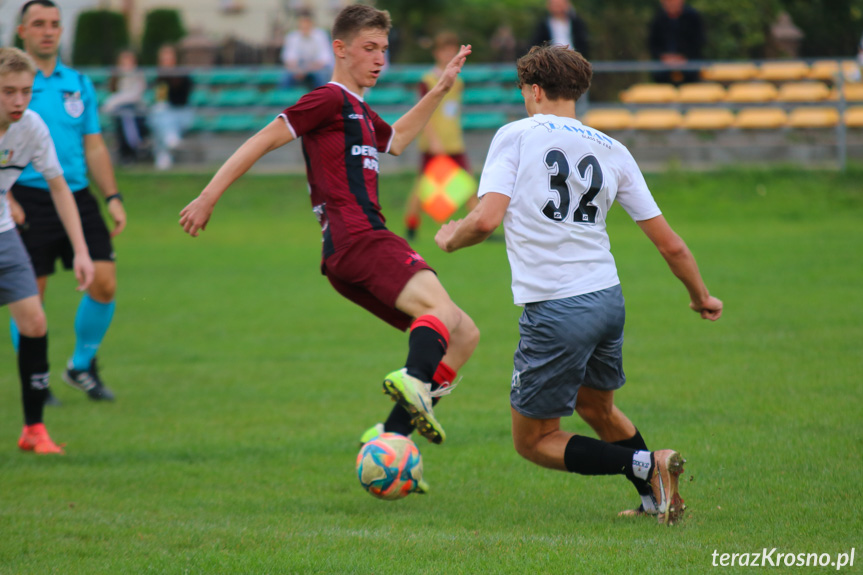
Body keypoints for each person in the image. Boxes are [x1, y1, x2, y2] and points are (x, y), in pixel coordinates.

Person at [434, 45, 723, 524]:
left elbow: (485, 221)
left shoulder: (517, 135)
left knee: (533, 441)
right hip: (607, 300)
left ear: (533, 90)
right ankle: (656, 498)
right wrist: (701, 295)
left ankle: (646, 463)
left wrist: (449, 238)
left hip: (556, 308)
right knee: (597, 407)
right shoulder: (612, 149)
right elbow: (670, 244)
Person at [180, 5, 479, 449]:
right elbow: (263, 139)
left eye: (384, 49)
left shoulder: (357, 108)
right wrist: (208, 196)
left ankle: (391, 440)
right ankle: (415, 382)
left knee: (464, 334)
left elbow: (395, 140)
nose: (380, 59)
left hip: (354, 249)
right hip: (358, 240)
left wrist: (439, 89)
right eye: (369, 49)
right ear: (340, 49)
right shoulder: (327, 99)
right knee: (442, 314)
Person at [10, 0, 127, 402]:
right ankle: (36, 378)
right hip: (25, 196)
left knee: (104, 281)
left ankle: (80, 366)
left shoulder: (78, 83)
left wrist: (111, 195)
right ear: (21, 31)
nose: (48, 31)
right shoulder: (12, 87)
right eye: (38, 24)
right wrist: (5, 194)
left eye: (55, 24)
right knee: (31, 294)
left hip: (75, 194)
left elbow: (93, 147)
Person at [0, 47, 94, 453]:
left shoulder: (32, 127)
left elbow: (59, 186)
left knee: (35, 323)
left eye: (25, 91)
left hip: (3, 234)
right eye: (8, 92)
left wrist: (81, 250)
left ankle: (33, 429)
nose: (19, 101)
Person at [404, 31, 475, 241]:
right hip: (433, 144)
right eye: (445, 51)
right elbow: (422, 113)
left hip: (454, 143)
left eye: (453, 51)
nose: (449, 55)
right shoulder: (428, 80)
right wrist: (433, 140)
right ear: (437, 53)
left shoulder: (458, 82)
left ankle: (478, 227)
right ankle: (411, 226)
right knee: (422, 188)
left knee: (469, 186)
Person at [148, 44, 195, 170]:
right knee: (159, 114)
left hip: (181, 113)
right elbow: (158, 100)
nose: (167, 61)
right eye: (164, 59)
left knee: (163, 116)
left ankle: (163, 154)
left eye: (169, 58)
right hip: (163, 114)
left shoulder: (183, 76)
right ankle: (169, 140)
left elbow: (182, 100)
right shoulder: (158, 77)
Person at [103, 49, 148, 164]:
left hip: (136, 112)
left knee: (128, 116)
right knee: (124, 117)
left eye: (130, 62)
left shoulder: (138, 76)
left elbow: (135, 96)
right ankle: (133, 148)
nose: (127, 65)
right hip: (120, 114)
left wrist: (113, 102)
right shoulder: (116, 78)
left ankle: (133, 147)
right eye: (124, 63)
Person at [647, 0, 705, 85]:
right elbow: (652, 44)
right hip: (664, 67)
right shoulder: (658, 18)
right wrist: (664, 57)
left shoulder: (693, 17)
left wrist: (684, 57)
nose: (671, 3)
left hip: (689, 64)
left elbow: (699, 41)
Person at [278, 8, 334, 91]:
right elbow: (289, 58)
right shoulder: (292, 37)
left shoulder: (320, 35)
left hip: (317, 69)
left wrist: (306, 69)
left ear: (311, 23)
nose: (304, 25)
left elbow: (325, 59)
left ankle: (321, 99)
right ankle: (284, 101)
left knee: (321, 76)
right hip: (298, 69)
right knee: (285, 77)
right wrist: (298, 70)